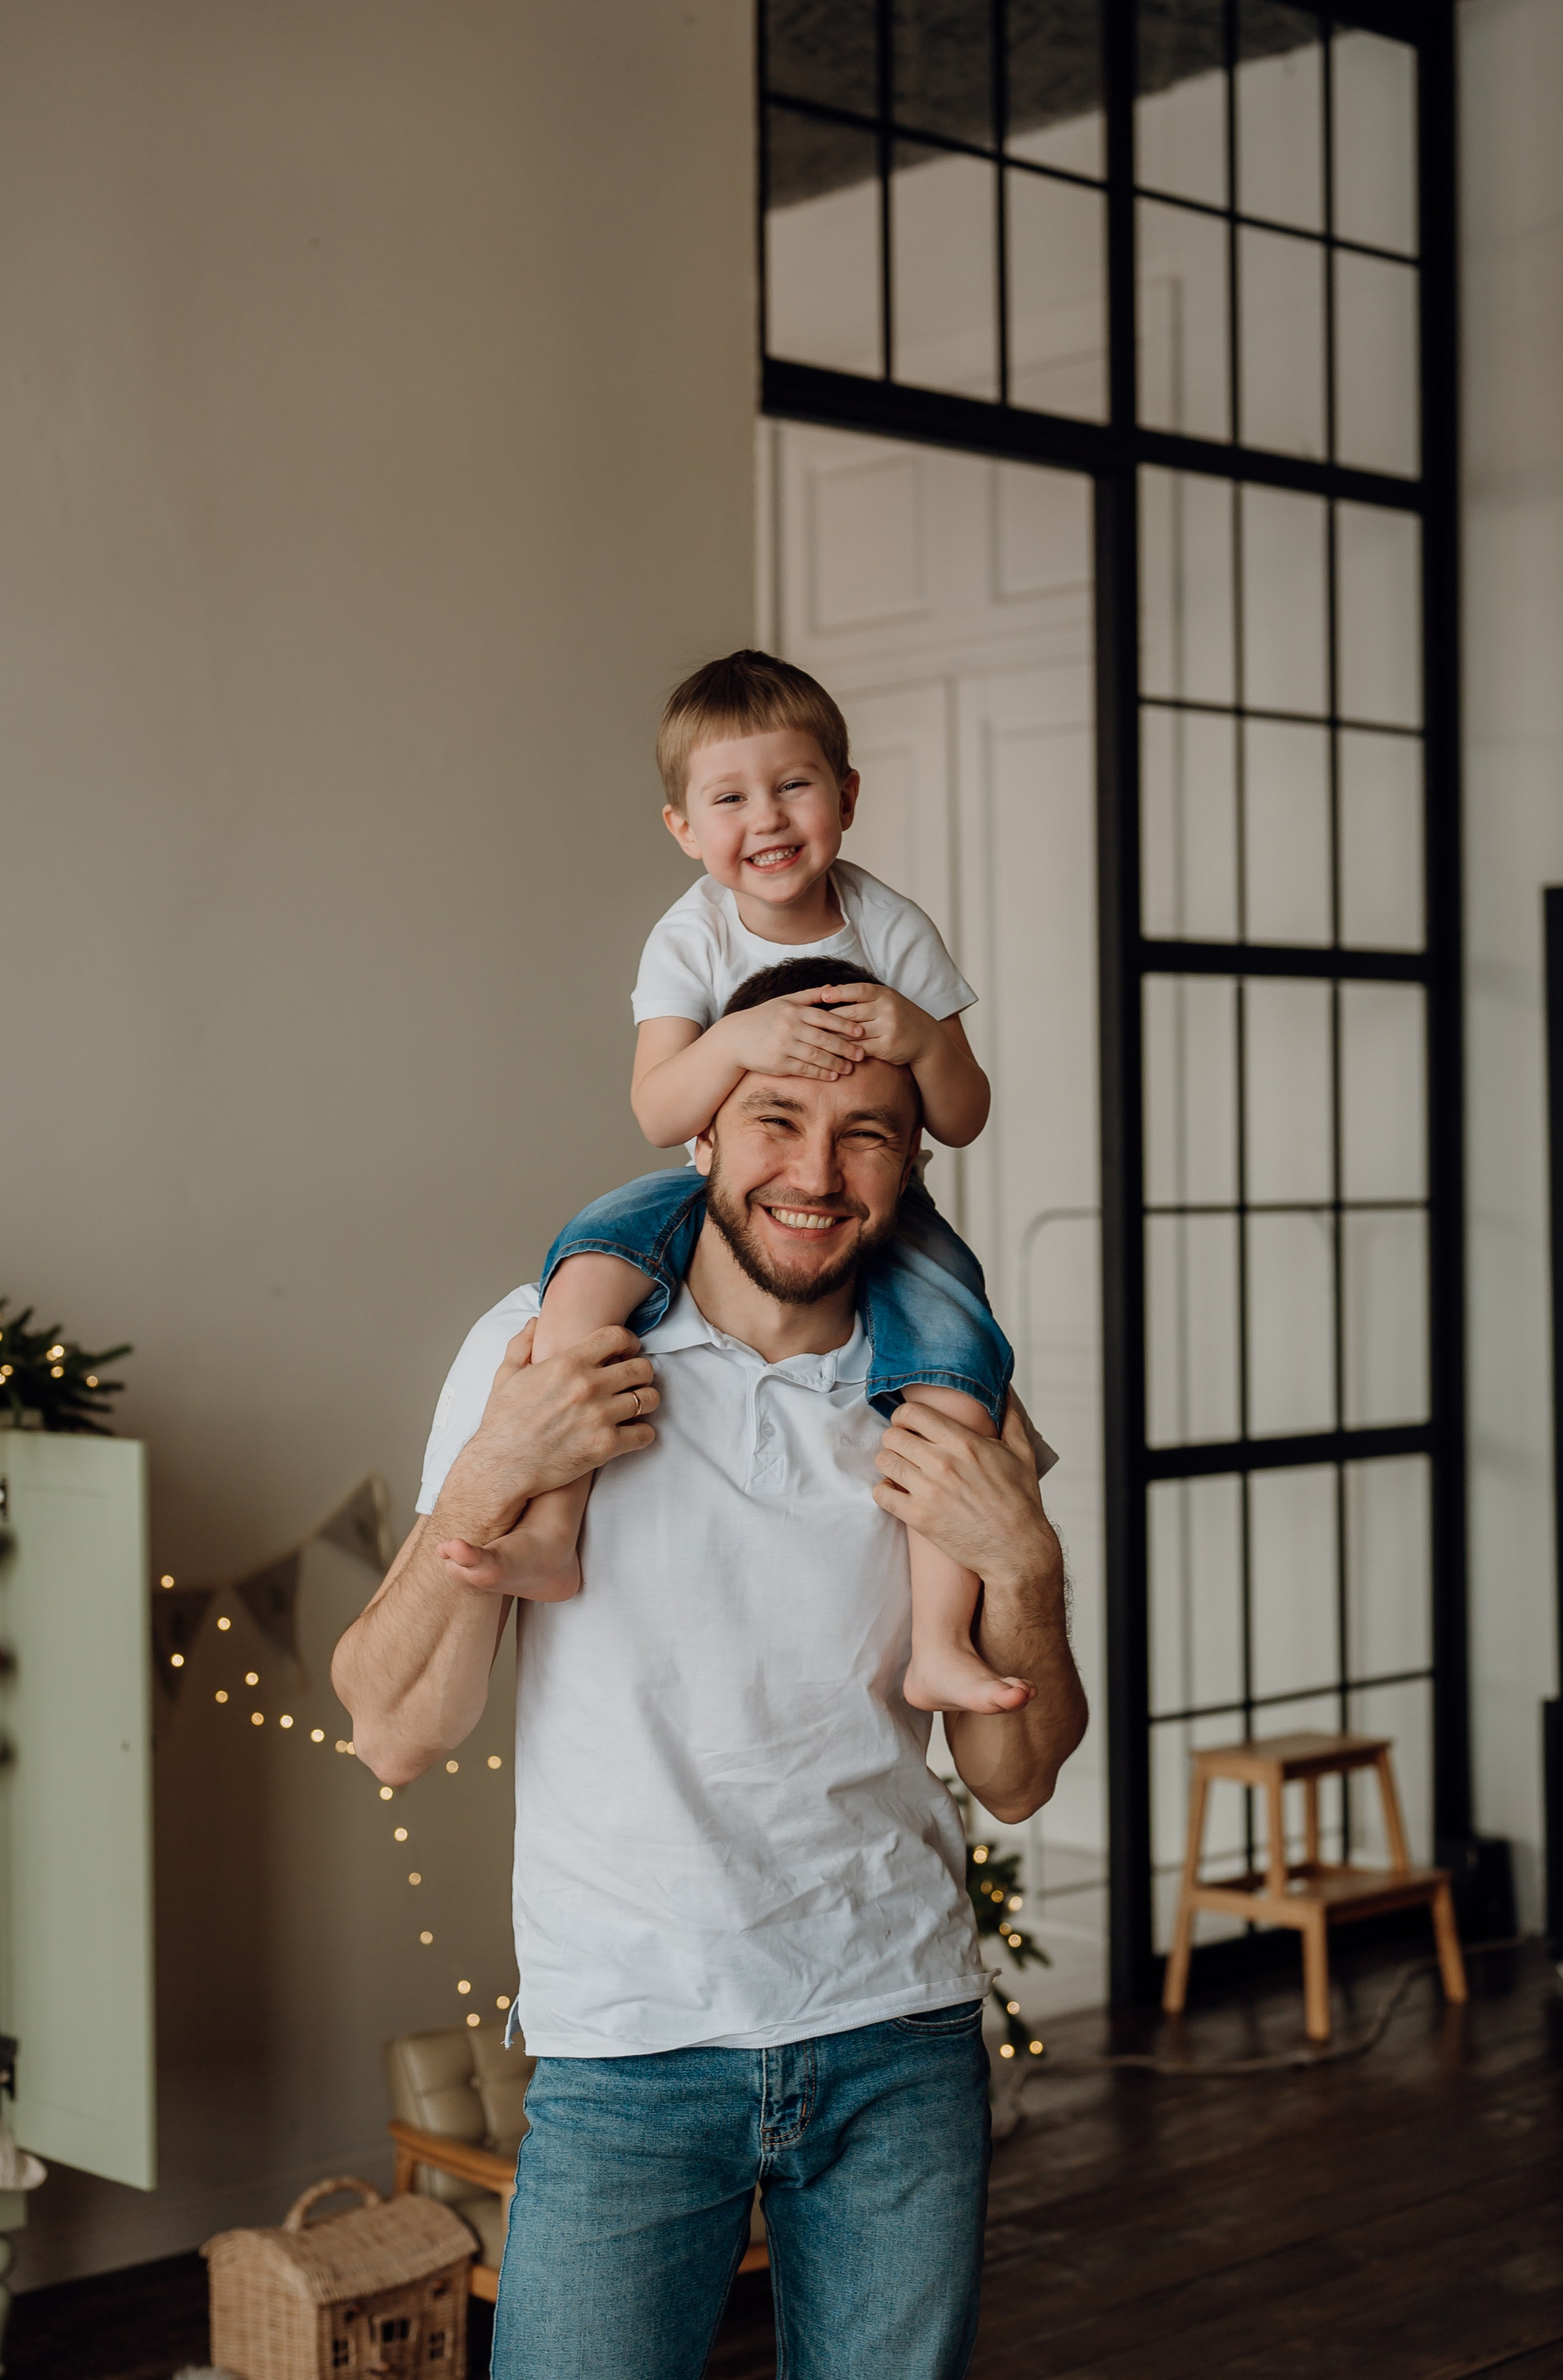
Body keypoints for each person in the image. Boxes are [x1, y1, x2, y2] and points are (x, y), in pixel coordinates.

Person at [332, 1015, 1086, 2380]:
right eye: (774, 1120)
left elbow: (1017, 1772)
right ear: (699, 1137)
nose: (815, 1167)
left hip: (894, 2035)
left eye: (865, 1131)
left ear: (910, 1164)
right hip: (629, 2051)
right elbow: (395, 1727)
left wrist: (1023, 1558)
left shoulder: (945, 1386)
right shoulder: (549, 1346)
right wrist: (497, 1463)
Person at [492, 648, 1029, 1717]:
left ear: (847, 796)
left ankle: (935, 1639)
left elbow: (962, 1120)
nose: (769, 818)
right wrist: (738, 1038)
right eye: (729, 798)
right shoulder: (692, 936)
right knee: (586, 1267)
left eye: (794, 785)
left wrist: (922, 1040)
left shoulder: (891, 927)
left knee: (959, 1361)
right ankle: (551, 1528)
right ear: (685, 830)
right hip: (712, 1190)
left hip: (886, 1202)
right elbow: (657, 1113)